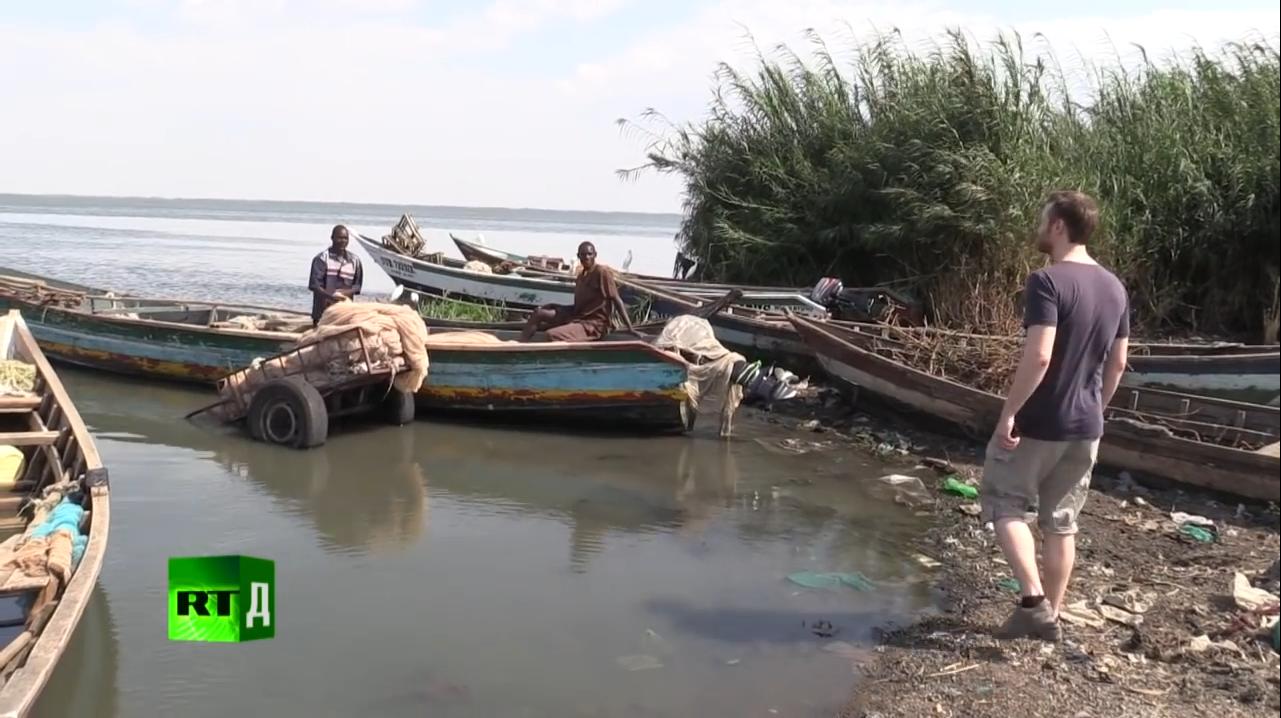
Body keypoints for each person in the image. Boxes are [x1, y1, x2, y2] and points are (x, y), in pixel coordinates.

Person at [981, 190, 1130, 641]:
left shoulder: (1046, 281)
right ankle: (1054, 615)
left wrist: (1010, 412)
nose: (1039, 226)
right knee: (1061, 522)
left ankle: (1033, 602)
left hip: (1041, 420)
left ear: (1059, 226)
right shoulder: (1115, 286)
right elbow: (1119, 363)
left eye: (1043, 218)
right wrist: (1094, 412)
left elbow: (1040, 356)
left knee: (1005, 503)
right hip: (1087, 425)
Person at [519, 241, 640, 342]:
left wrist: (630, 328)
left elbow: (616, 300)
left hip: (593, 325)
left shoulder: (602, 272)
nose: (586, 257)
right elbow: (580, 306)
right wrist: (556, 307)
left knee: (551, 334)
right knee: (539, 313)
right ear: (578, 256)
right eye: (583, 255)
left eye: (589, 254)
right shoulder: (581, 276)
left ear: (595, 255)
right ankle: (520, 344)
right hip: (578, 316)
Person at [309, 224, 363, 326]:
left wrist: (344, 294)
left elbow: (357, 287)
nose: (343, 241)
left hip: (344, 315)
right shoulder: (321, 259)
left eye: (345, 238)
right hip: (323, 315)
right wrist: (332, 296)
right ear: (332, 238)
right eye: (339, 238)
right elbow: (314, 285)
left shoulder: (355, 261)